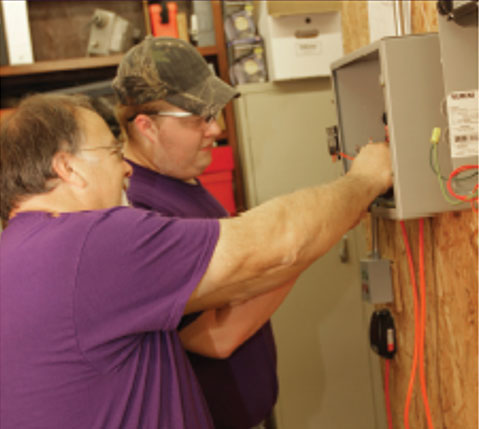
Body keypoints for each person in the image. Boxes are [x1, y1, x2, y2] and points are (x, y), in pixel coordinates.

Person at [0, 93, 392, 429]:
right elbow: (277, 241)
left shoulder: (18, 253)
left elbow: (234, 280)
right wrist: (364, 181)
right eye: (113, 152)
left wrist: (329, 222)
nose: (124, 168)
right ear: (67, 168)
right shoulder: (91, 243)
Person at [112, 36, 286, 429]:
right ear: (146, 126)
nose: (217, 129)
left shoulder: (180, 177)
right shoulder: (139, 210)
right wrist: (295, 250)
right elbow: (214, 338)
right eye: (199, 118)